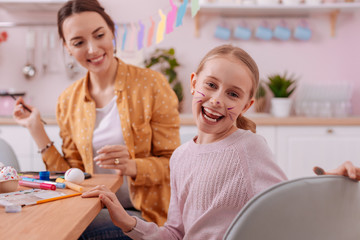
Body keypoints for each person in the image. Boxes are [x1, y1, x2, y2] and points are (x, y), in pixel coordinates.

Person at [82, 44, 360, 239]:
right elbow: (176, 234)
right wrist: (128, 223)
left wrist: (331, 186)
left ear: (246, 106)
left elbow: (289, 207)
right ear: (194, 83)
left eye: (233, 94)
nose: (217, 100)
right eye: (211, 85)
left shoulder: (248, 148)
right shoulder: (180, 156)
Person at [13, 0, 180, 239]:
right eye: (79, 42)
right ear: (67, 47)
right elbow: (70, 176)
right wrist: (36, 129)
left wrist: (133, 166)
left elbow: (175, 164)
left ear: (112, 31)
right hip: (91, 208)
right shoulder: (68, 100)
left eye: (99, 35)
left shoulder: (152, 85)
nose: (92, 49)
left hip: (143, 215)